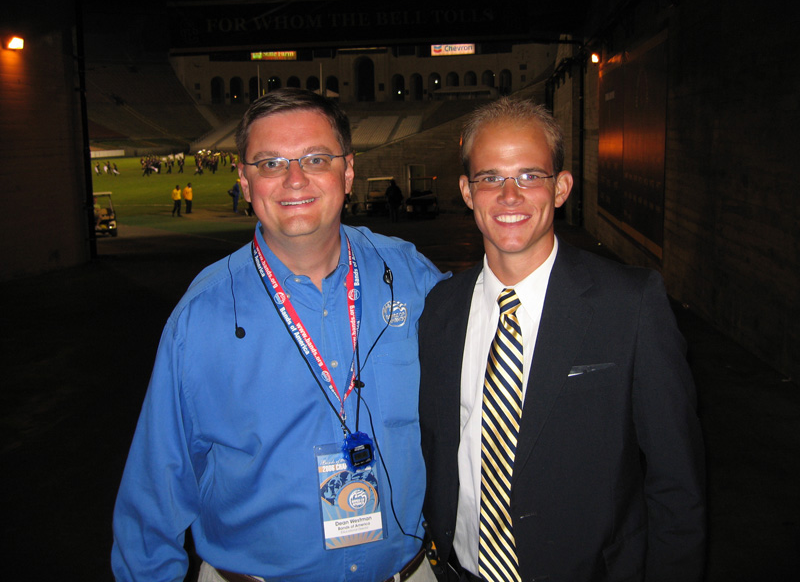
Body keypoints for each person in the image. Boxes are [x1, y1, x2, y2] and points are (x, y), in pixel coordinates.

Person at [112, 88, 448, 582]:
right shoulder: (201, 317)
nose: (294, 179)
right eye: (270, 164)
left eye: (315, 158)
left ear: (348, 171)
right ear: (246, 182)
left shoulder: (412, 278)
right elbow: (155, 490)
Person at [418, 97, 706, 582]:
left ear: (561, 187)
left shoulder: (630, 305)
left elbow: (677, 484)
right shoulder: (442, 309)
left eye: (530, 176)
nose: (510, 196)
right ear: (467, 191)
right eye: (491, 177)